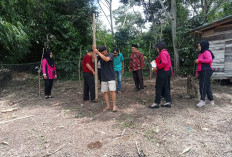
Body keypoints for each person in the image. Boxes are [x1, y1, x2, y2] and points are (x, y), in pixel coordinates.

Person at [93, 45, 117, 112]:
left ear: (106, 50)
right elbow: (93, 60)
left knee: (112, 91)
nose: (102, 54)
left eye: (103, 52)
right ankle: (108, 106)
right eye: (101, 53)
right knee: (105, 92)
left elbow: (106, 59)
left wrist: (98, 53)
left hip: (111, 76)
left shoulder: (111, 54)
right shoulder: (99, 55)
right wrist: (94, 51)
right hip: (103, 76)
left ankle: (114, 106)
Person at [148, 42, 172, 109]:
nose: (156, 49)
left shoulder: (163, 53)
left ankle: (156, 103)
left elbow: (164, 62)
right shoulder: (166, 52)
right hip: (167, 71)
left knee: (158, 87)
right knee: (166, 87)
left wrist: (157, 67)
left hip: (163, 72)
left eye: (156, 48)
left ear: (159, 48)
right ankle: (168, 102)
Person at [195, 40, 214, 107]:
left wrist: (199, 60)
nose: (198, 47)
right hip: (203, 70)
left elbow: (210, 60)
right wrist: (197, 72)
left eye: (199, 46)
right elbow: (199, 65)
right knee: (207, 85)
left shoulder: (206, 52)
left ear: (203, 45)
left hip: (206, 70)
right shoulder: (201, 53)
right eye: (198, 46)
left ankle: (202, 100)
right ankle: (210, 100)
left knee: (202, 85)